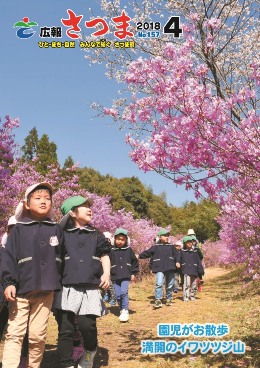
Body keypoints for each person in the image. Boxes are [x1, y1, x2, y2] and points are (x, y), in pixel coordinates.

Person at [0, 182, 63, 368]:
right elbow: (9, 258)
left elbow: (62, 257)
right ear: (26, 204)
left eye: (47, 198)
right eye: (38, 198)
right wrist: (9, 282)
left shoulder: (56, 229)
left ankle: (33, 365)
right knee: (15, 333)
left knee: (37, 335)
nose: (43, 201)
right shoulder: (18, 230)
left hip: (46, 291)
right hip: (20, 289)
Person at [53, 195, 111, 368]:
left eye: (89, 206)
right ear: (72, 212)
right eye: (84, 206)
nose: (89, 209)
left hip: (89, 287)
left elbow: (104, 254)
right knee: (66, 330)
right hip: (67, 287)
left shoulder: (96, 234)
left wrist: (106, 274)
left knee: (88, 326)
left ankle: (90, 351)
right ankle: (66, 363)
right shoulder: (62, 234)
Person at [138, 229, 180, 308]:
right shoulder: (155, 247)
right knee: (159, 283)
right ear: (160, 237)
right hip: (159, 268)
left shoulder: (171, 246)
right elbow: (147, 253)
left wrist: (177, 261)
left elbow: (177, 255)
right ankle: (158, 300)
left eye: (168, 236)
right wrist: (139, 256)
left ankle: (169, 298)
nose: (167, 237)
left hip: (170, 267)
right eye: (165, 236)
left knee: (170, 284)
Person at [110, 228, 139, 322]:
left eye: (122, 239)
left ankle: (125, 310)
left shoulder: (129, 250)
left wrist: (133, 273)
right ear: (114, 239)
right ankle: (121, 308)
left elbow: (134, 261)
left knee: (123, 292)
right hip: (115, 275)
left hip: (126, 275)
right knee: (118, 295)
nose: (120, 241)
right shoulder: (111, 250)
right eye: (118, 239)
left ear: (126, 240)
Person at [180, 235, 204, 302]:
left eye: (190, 242)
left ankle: (192, 296)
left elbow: (198, 261)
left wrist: (201, 270)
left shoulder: (195, 252)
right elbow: (179, 260)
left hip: (194, 270)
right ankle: (186, 297)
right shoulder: (182, 252)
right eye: (187, 242)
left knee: (194, 285)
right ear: (184, 243)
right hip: (186, 270)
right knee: (186, 284)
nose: (189, 243)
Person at [102, 232, 117, 306]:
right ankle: (106, 295)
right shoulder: (101, 247)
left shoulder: (112, 248)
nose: (105, 240)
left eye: (107, 239)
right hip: (103, 268)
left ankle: (114, 297)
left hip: (111, 268)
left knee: (111, 284)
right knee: (104, 283)